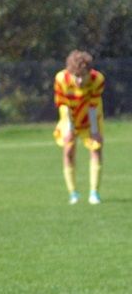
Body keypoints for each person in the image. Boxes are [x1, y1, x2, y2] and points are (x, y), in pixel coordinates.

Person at [53, 50, 105, 205]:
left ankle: (94, 193)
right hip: (69, 118)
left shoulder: (97, 79)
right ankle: (73, 193)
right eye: (76, 76)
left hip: (90, 118)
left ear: (90, 71)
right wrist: (69, 129)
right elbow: (63, 105)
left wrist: (94, 131)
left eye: (83, 75)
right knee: (68, 151)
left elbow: (93, 106)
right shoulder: (61, 79)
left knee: (96, 149)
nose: (80, 80)